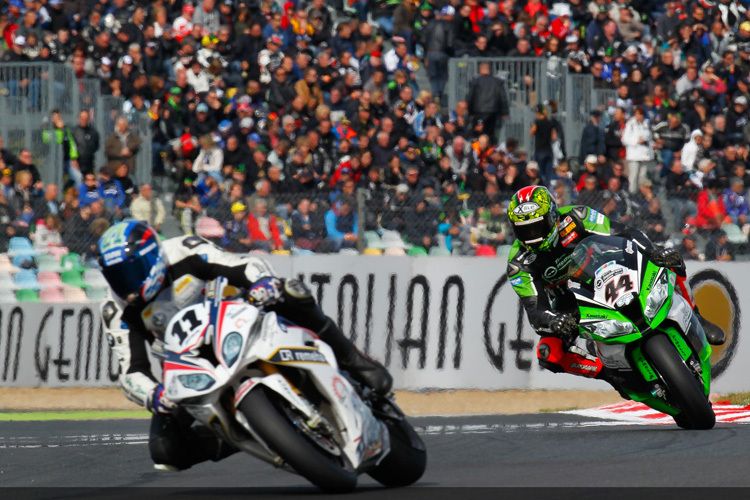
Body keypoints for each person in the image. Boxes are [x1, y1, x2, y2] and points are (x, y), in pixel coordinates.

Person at [97, 220, 392, 471]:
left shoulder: (183, 251)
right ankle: (251, 433)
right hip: (194, 364)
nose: (128, 285)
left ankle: (354, 360)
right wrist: (155, 395)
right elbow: (130, 371)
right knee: (165, 451)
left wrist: (262, 281)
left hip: (242, 318)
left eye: (131, 272)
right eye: (117, 277)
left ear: (154, 256)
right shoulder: (117, 308)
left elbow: (240, 264)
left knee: (290, 293)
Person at [505, 186, 725, 391]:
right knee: (548, 354)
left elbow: (623, 232)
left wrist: (652, 251)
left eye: (537, 227)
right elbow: (535, 310)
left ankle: (696, 315)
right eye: (524, 230)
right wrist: (553, 320)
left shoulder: (577, 216)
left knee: (665, 260)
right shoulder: (518, 264)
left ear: (553, 216)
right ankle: (610, 375)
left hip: (608, 266)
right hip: (571, 300)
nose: (532, 236)